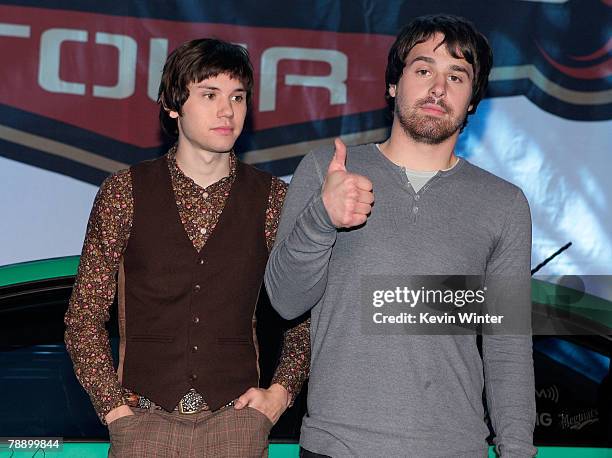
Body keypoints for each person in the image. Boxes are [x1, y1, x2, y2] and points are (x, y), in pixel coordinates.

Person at [265, 14, 536, 457]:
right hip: (337, 446)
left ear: (472, 102)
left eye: (457, 75)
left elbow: (506, 348)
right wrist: (321, 218)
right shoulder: (326, 171)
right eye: (424, 69)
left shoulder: (503, 204)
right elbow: (285, 300)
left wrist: (518, 450)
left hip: (455, 448)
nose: (438, 88)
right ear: (394, 84)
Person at [65, 38, 310, 458]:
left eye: (238, 97)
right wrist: (115, 412)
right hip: (143, 423)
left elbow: (304, 313)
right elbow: (83, 319)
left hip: (236, 425)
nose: (227, 111)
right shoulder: (124, 192)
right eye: (209, 95)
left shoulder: (272, 198)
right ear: (173, 104)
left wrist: (279, 396)